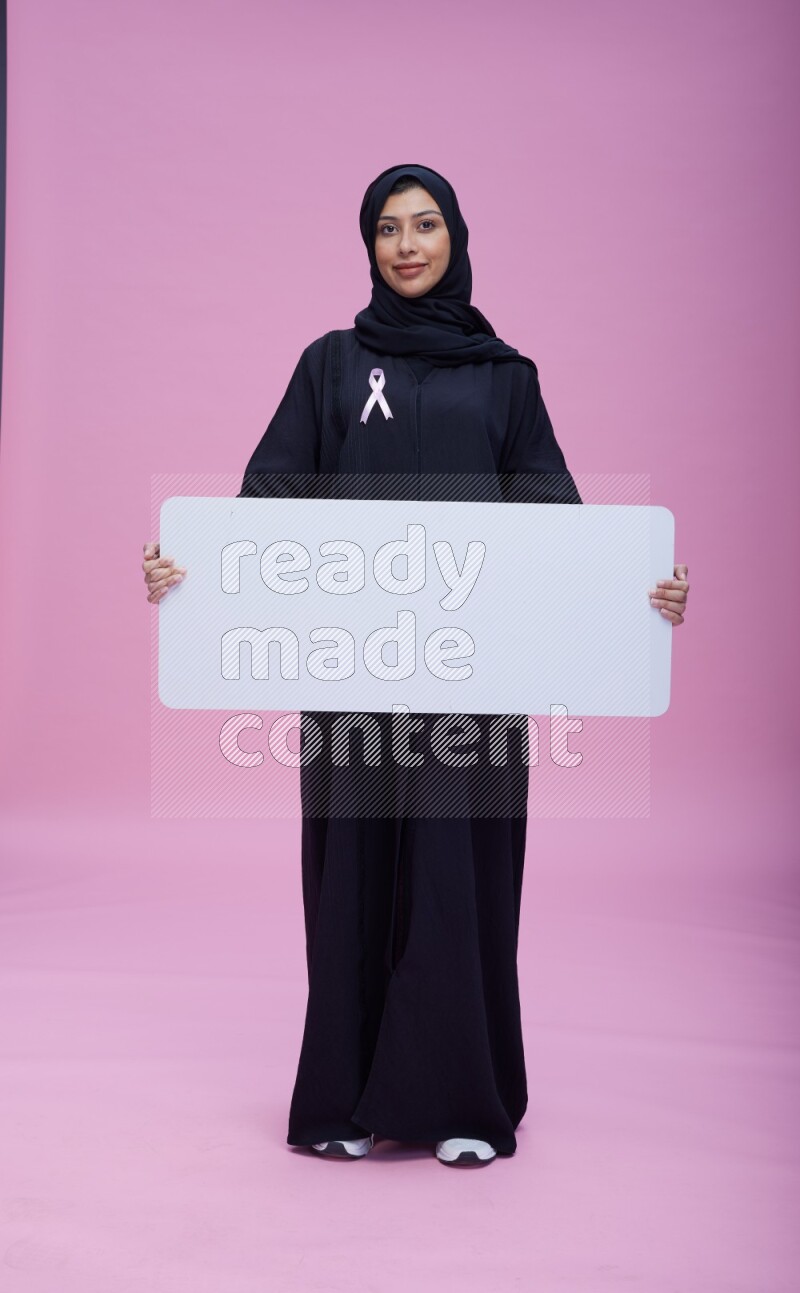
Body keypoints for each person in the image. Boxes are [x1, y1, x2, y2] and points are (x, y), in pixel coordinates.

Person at [143, 163, 690, 1168]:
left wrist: (637, 593)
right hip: (352, 681)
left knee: (455, 880)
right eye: (386, 228)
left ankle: (462, 1107)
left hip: (473, 690)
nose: (405, 244)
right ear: (367, 245)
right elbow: (264, 509)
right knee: (350, 879)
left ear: (454, 237)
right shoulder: (330, 366)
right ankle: (345, 1105)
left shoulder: (505, 378)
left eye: (423, 224)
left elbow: (555, 532)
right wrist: (191, 573)